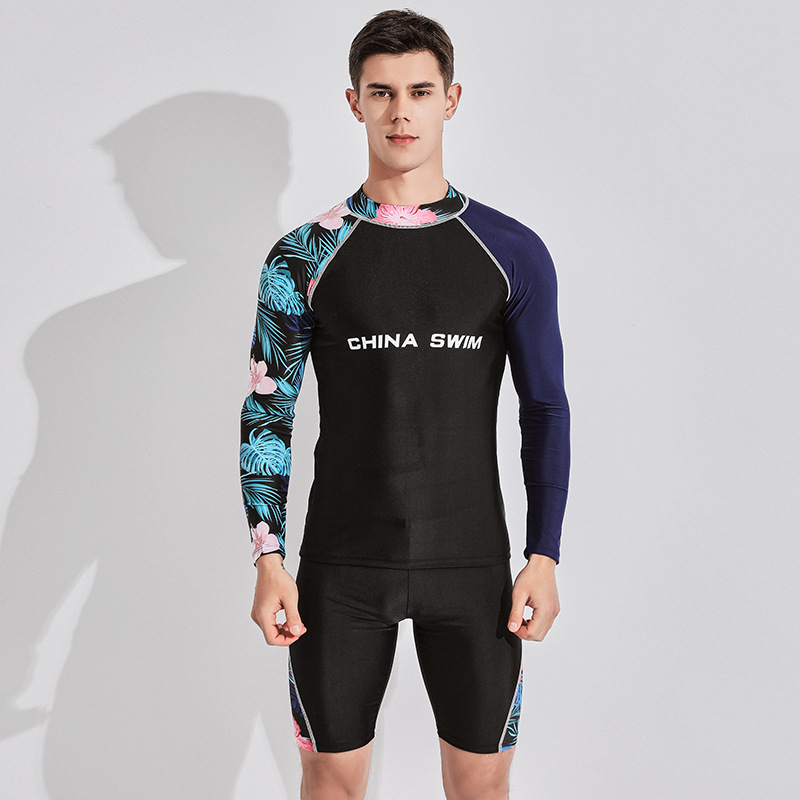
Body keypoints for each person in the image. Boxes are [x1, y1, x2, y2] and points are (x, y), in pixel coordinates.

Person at [241, 9, 570, 799]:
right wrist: (268, 559)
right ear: (354, 102)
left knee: (481, 789)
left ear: (450, 100)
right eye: (381, 92)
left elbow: (545, 408)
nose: (401, 111)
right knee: (331, 783)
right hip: (342, 568)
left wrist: (545, 555)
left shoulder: (512, 251)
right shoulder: (302, 257)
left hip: (474, 567)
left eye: (420, 91)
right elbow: (267, 412)